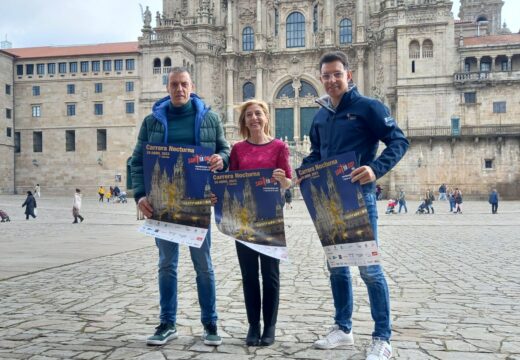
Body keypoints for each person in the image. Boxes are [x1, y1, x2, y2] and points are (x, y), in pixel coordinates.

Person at [302, 51, 408, 360]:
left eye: (337, 74)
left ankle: (382, 337)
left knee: (370, 270)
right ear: (321, 79)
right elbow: (315, 154)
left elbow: (399, 141)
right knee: (336, 266)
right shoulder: (321, 115)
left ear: (349, 75)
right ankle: (343, 329)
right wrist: (300, 174)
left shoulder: (369, 108)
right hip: (329, 199)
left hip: (359, 198)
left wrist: (375, 168)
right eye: (326, 75)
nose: (332, 80)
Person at [131, 67, 230, 347]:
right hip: (162, 205)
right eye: (174, 84)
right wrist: (139, 195)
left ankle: (210, 323)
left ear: (192, 86)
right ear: (168, 87)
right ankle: (167, 323)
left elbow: (225, 151)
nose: (179, 89)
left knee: (204, 267)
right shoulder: (152, 122)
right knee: (166, 266)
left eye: (184, 84)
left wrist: (221, 160)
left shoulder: (210, 118)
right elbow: (137, 160)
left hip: (198, 205)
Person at [227, 99, 292, 347]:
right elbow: (231, 182)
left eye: (258, 114)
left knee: (270, 274)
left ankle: (270, 326)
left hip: (270, 219)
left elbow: (288, 183)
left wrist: (283, 180)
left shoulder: (279, 147)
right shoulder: (238, 150)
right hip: (243, 219)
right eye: (249, 115)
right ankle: (253, 325)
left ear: (266, 117)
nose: (254, 118)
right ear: (244, 121)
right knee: (249, 275)